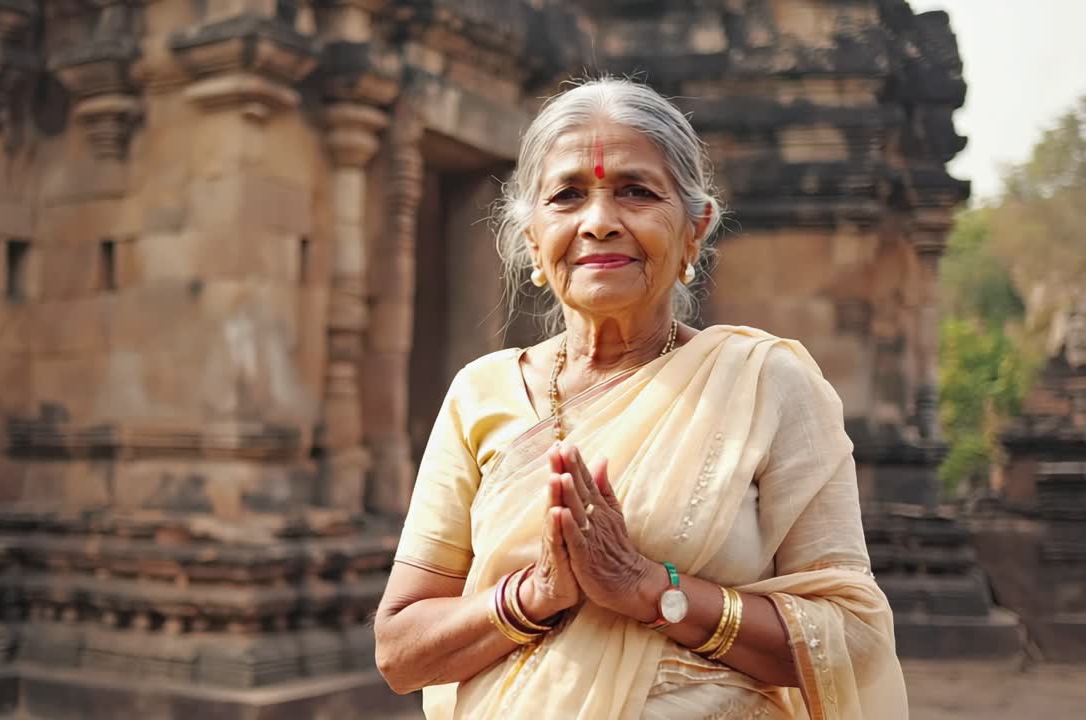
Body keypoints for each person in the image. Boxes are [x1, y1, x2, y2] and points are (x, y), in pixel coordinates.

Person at [372, 78, 907, 719]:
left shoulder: (767, 385)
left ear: (694, 229)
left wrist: (651, 590)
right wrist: (533, 596)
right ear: (533, 238)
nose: (598, 222)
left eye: (636, 191)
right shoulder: (479, 394)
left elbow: (855, 640)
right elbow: (400, 650)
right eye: (568, 195)